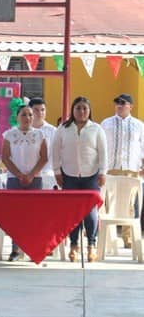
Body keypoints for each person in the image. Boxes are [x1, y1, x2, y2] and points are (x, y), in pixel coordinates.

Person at [53, 96, 107, 263]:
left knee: (91, 212)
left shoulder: (96, 129)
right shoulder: (63, 129)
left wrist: (103, 172)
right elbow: (55, 151)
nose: (81, 111)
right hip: (69, 176)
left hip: (91, 176)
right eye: (78, 108)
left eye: (85, 108)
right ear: (72, 111)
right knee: (72, 213)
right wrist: (57, 171)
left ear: (89, 111)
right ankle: (74, 245)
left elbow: (103, 152)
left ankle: (91, 245)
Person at [1, 105, 48, 261]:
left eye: (30, 115)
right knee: (16, 216)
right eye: (23, 115)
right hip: (15, 180)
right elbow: (5, 157)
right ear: (17, 116)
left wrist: (31, 175)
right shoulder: (10, 135)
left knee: (34, 216)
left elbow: (43, 158)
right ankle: (15, 249)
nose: (27, 118)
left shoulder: (40, 135)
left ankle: (32, 249)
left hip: (35, 180)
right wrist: (20, 174)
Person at [100, 93, 144, 249]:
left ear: (130, 106)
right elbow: (101, 145)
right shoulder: (106, 123)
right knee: (109, 203)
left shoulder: (139, 125)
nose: (119, 105)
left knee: (130, 205)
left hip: (131, 169)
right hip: (111, 168)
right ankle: (109, 239)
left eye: (123, 103)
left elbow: (143, 147)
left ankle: (128, 237)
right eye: (117, 103)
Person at [29, 97, 57, 184]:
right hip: (27, 174)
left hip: (47, 174)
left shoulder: (53, 131)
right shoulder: (22, 130)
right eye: (36, 110)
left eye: (42, 110)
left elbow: (56, 153)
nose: (40, 113)